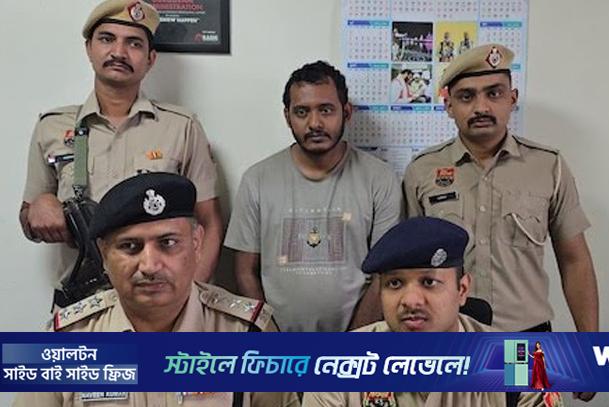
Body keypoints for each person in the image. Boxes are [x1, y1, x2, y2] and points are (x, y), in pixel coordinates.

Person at [13, 172, 298, 406]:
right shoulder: (66, 340)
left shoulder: (247, 333)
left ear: (197, 243)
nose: (149, 265)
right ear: (103, 255)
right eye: (130, 246)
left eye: (168, 243)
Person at [19, 0, 223, 299]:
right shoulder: (52, 127)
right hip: (81, 305)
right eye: (107, 39)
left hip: (159, 300)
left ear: (150, 59)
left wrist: (188, 297)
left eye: (134, 43)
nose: (119, 52)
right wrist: (38, 207)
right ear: (89, 49)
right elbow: (27, 218)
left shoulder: (181, 127)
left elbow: (209, 222)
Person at [403, 44, 598, 333]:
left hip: (523, 337)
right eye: (466, 96)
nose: (481, 108)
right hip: (449, 334)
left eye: (494, 93)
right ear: (449, 106)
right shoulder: (422, 171)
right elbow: (407, 265)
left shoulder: (548, 166)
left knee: (520, 369)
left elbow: (575, 261)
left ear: (512, 99)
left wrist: (590, 344)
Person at [302, 217, 559, 407]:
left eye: (428, 282)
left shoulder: (519, 362)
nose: (410, 300)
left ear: (462, 290)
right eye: (395, 283)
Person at [224, 61, 402, 332]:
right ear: (287, 117)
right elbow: (245, 272)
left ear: (346, 112)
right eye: (302, 112)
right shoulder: (257, 180)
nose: (315, 123)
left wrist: (353, 344)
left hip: (359, 341)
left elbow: (386, 273)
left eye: (326, 110)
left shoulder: (380, 178)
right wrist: (270, 339)